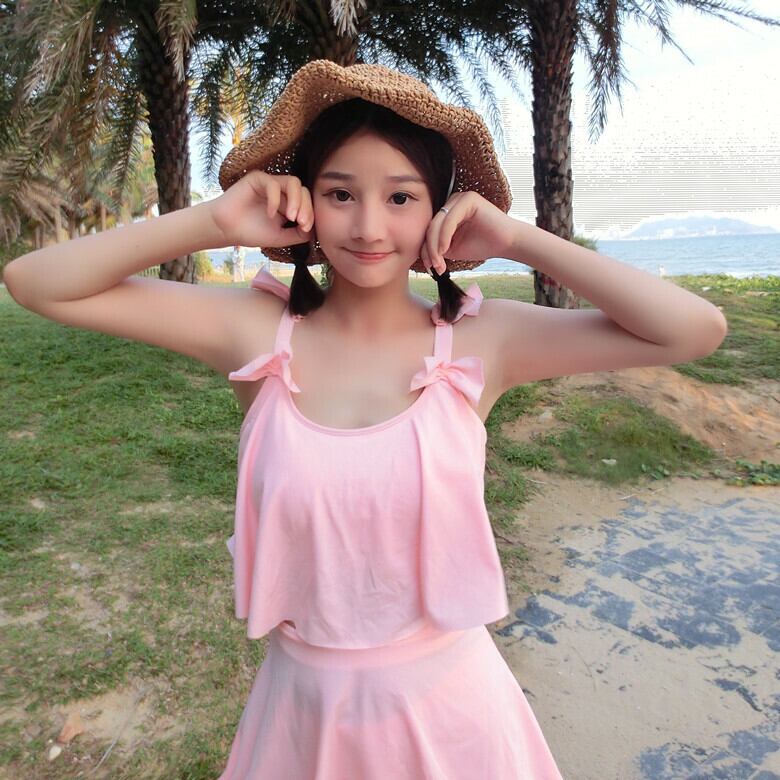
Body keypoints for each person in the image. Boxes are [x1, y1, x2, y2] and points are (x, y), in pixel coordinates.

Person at [4, 60, 727, 779]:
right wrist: (213, 222)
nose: (369, 226)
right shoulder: (255, 332)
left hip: (455, 720)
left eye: (401, 197)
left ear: (441, 209)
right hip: (303, 718)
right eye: (341, 193)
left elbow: (692, 330)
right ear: (306, 203)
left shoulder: (481, 340)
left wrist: (517, 239)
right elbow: (36, 284)